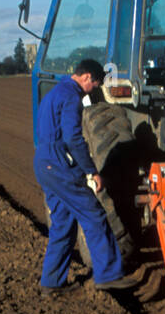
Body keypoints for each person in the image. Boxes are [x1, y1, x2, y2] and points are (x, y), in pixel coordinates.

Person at [33, 59, 136, 293]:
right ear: (87, 77)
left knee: (62, 224)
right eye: (96, 84)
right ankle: (108, 274)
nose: (94, 89)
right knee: (94, 215)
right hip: (59, 163)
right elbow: (73, 138)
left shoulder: (54, 93)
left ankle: (51, 283)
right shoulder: (71, 96)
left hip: (43, 161)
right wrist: (91, 171)